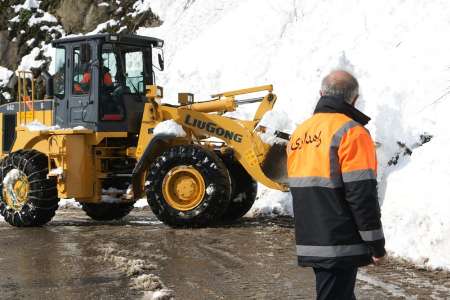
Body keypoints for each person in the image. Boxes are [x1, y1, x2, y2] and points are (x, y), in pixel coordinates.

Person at [286, 70, 386, 300]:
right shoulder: (352, 132)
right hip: (340, 243)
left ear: (321, 93)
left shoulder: (300, 133)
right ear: (354, 99)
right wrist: (376, 244)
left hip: (310, 238)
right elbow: (361, 195)